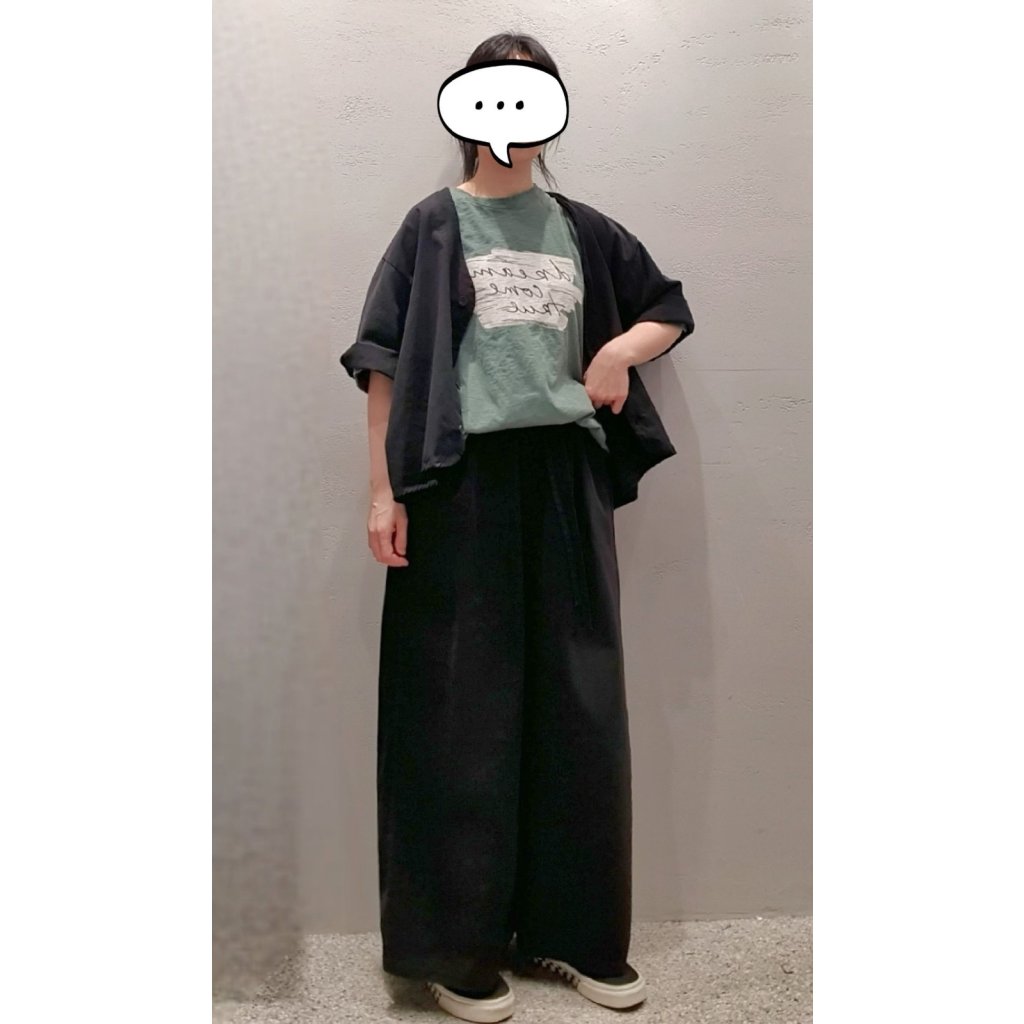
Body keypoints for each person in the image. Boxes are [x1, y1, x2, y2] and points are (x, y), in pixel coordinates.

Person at [339, 33, 695, 1024]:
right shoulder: (432, 227)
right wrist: (382, 493)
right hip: (461, 484)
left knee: (579, 709)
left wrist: (618, 351)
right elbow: (380, 365)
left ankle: (574, 935)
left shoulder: (582, 229)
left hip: (565, 481)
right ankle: (458, 949)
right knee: (458, 715)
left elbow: (668, 307)